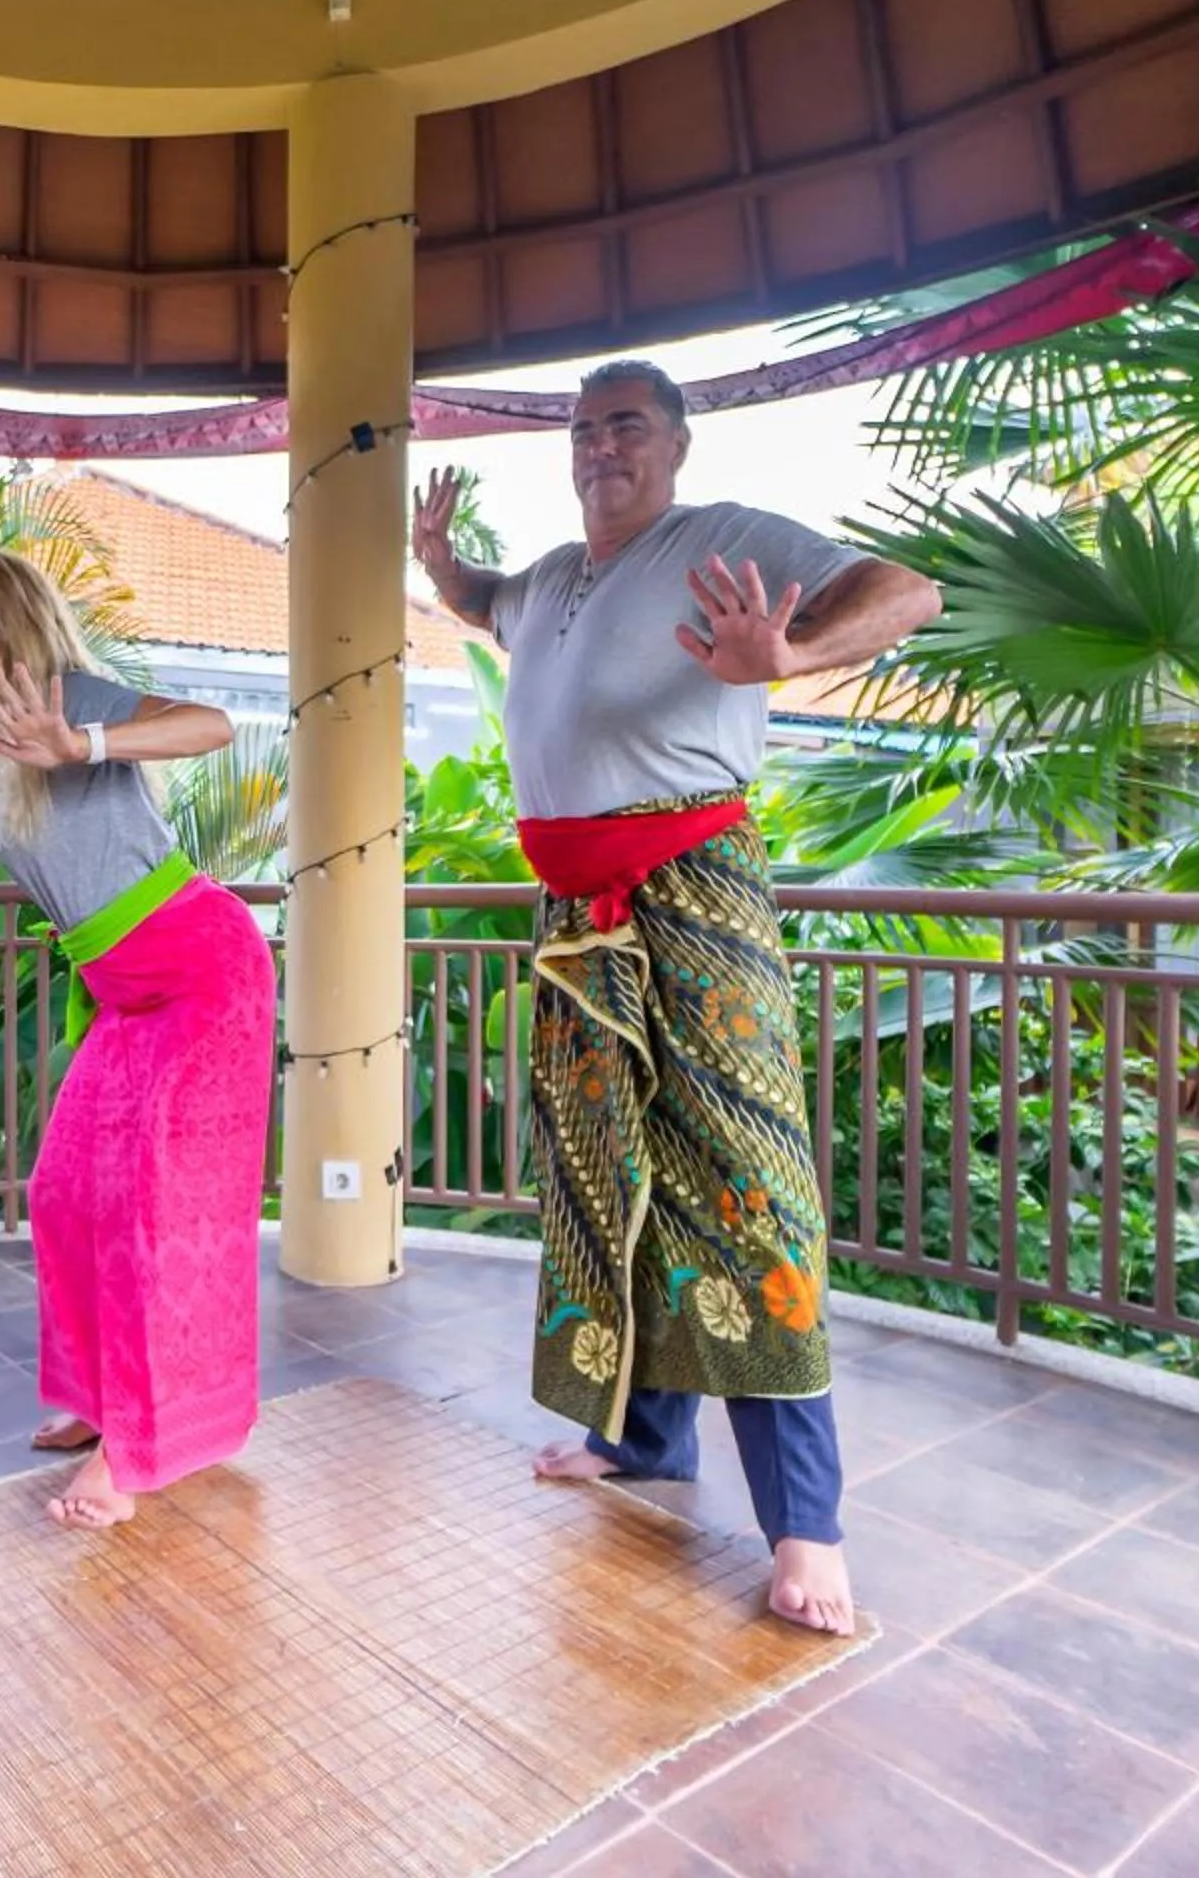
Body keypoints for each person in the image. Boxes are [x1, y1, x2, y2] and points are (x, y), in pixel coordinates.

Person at [411, 361, 942, 1637]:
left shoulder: (723, 538)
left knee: (743, 1181)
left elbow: (909, 589)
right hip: (575, 917)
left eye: (626, 425)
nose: (601, 446)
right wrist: (440, 560)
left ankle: (807, 1522)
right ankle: (642, 1437)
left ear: (679, 443)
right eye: (585, 429)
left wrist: (793, 651)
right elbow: (489, 605)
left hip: (691, 889)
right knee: (605, 1174)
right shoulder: (547, 576)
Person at [0, 550, 275, 1530]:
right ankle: (102, 1405)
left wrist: (81, 740)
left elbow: (212, 726)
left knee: (148, 1207)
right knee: (62, 1189)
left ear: (12, 621)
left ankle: (134, 1450)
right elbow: (1, 802)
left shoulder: (64, 696)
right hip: (126, 990)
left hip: (201, 971)